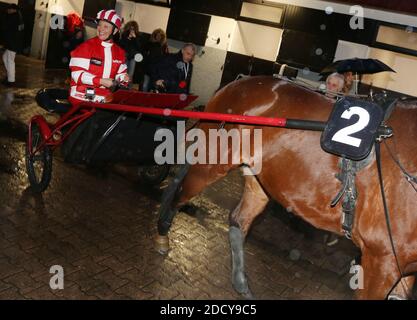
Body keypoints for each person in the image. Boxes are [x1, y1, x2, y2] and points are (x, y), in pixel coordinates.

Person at [68, 9, 129, 104]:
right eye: (99, 25)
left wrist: (123, 78)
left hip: (105, 94)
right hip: (83, 91)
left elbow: (120, 73)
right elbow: (76, 75)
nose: (101, 29)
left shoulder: (120, 52)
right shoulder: (86, 47)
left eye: (106, 26)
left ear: (115, 30)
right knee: (97, 108)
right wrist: (101, 81)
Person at [1, 4, 24, 87]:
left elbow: (7, 30)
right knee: (5, 57)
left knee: (10, 61)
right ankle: (10, 76)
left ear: (13, 10)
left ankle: (11, 80)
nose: (8, 10)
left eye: (9, 9)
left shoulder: (13, 18)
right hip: (13, 43)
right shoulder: (18, 18)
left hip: (13, 43)